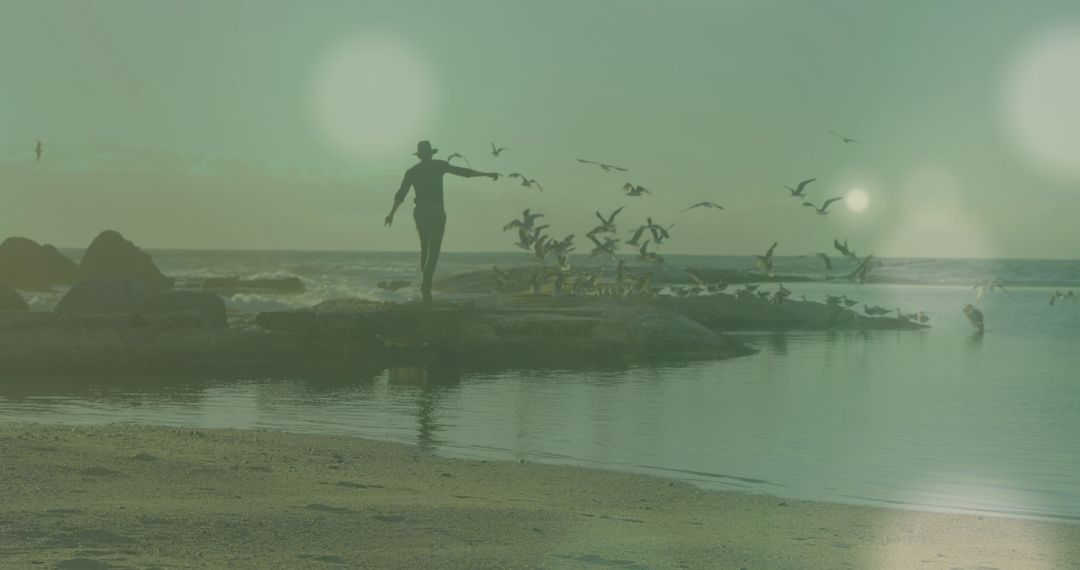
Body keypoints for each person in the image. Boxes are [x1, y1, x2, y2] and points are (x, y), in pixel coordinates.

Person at [385, 140, 499, 304]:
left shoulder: (412, 171)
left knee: (424, 249)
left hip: (420, 212)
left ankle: (425, 284)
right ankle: (426, 285)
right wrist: (486, 174)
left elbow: (400, 195)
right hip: (436, 211)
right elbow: (464, 172)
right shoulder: (439, 165)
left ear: (419, 155)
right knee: (434, 251)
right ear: (431, 154)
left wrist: (391, 214)